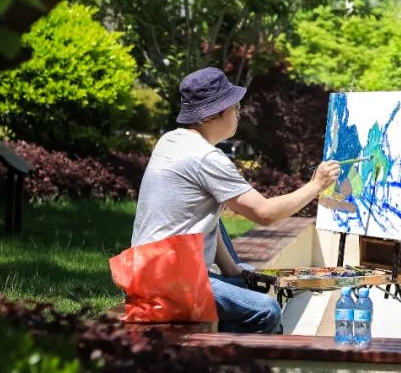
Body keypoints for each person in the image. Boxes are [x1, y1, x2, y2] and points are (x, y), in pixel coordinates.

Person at [131, 67, 340, 333]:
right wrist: (316, 185)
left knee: (239, 264)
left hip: (147, 272)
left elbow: (203, 217)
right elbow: (264, 213)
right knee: (266, 310)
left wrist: (232, 269)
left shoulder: (170, 141)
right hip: (170, 284)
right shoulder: (205, 157)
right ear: (212, 114)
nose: (238, 113)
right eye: (234, 107)